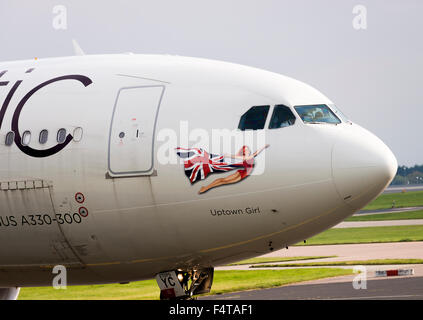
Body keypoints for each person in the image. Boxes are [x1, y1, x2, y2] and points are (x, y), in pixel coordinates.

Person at [198, 144, 270, 194]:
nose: (248, 150)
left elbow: (256, 152)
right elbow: (236, 156)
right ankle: (206, 188)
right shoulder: (245, 157)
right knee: (224, 180)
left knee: (224, 182)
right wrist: (228, 155)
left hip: (244, 175)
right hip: (241, 172)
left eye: (248, 149)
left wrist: (264, 147)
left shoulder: (250, 156)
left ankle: (206, 188)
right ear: (244, 152)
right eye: (246, 149)